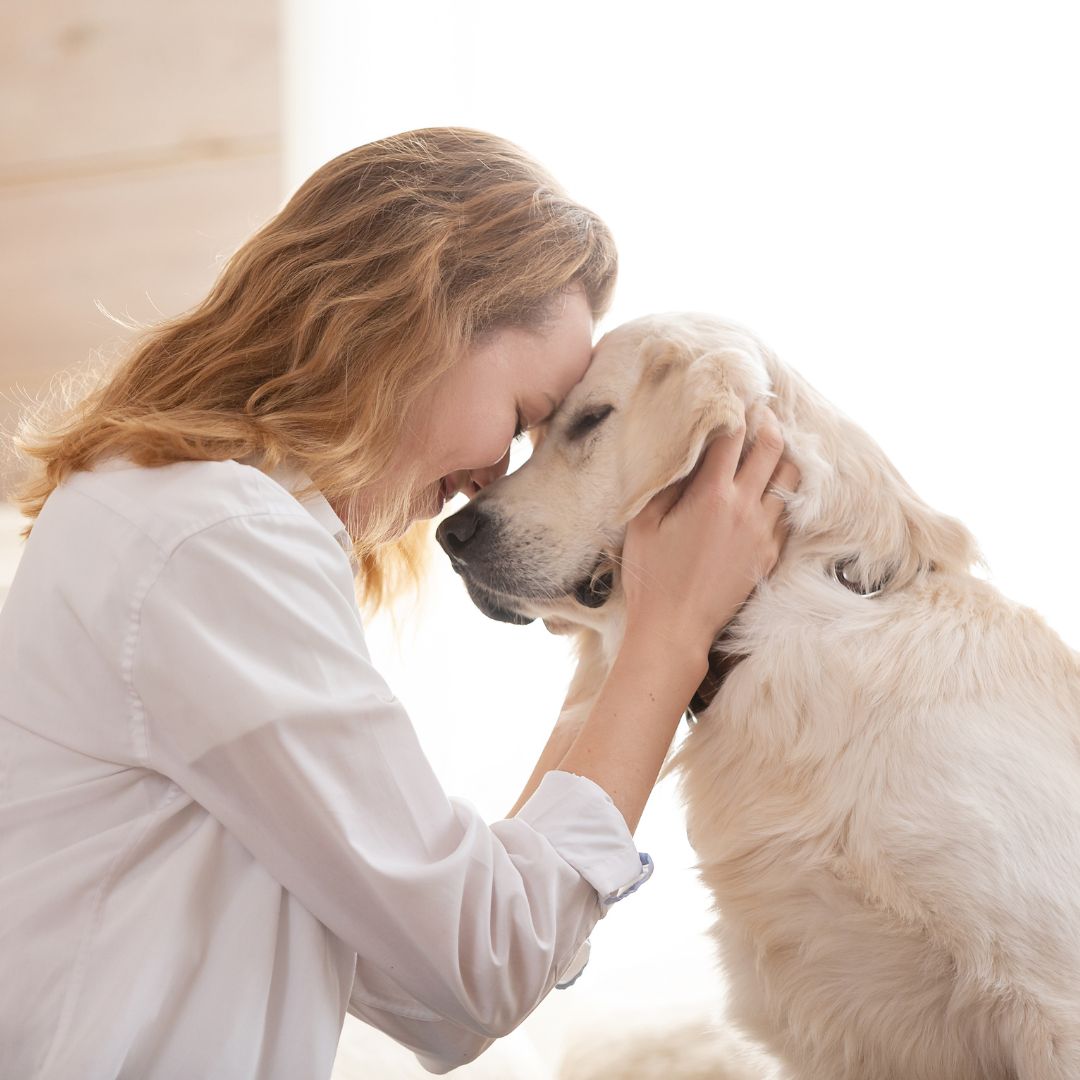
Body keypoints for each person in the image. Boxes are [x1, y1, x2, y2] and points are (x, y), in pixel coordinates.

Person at [0, 128, 798, 1078]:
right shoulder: (212, 536)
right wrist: (669, 641)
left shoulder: (180, 517)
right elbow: (480, 967)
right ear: (420, 320)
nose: (493, 478)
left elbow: (433, 994)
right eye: (520, 417)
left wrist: (625, 644)